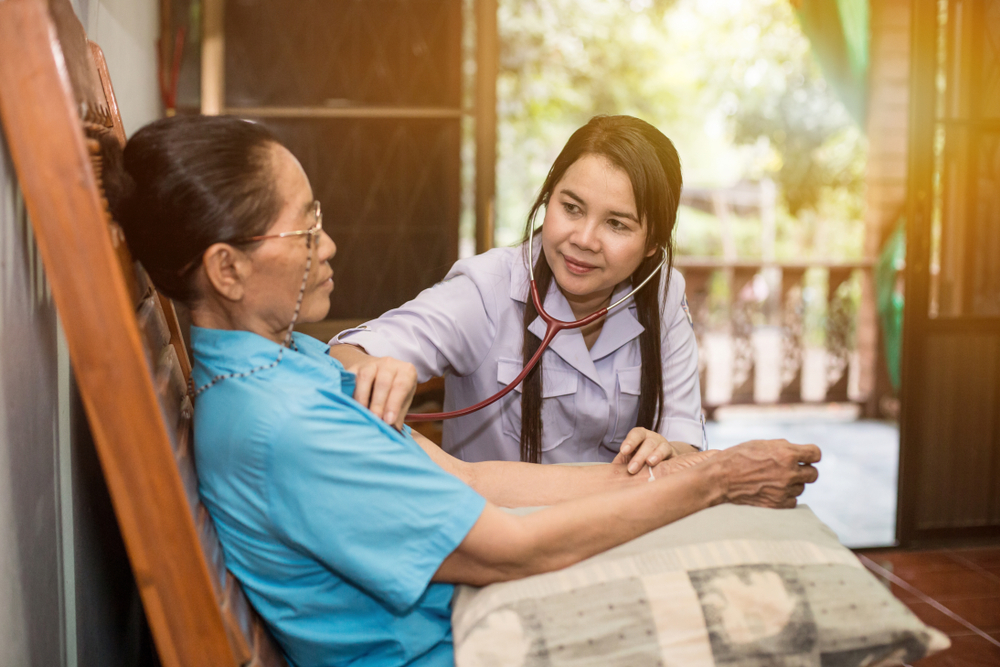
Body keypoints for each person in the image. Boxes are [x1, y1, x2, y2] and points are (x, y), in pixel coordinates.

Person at [109, 115, 820, 667]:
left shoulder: (286, 363)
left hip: (499, 577)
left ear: (651, 242)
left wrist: (697, 471)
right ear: (227, 271)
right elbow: (508, 543)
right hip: (460, 631)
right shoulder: (284, 422)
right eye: (309, 227)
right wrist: (715, 480)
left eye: (619, 224)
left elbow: (472, 476)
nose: (329, 245)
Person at [331, 116, 701, 472]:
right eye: (571, 208)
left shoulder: (664, 298)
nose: (584, 240)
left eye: (616, 224)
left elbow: (685, 439)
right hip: (499, 529)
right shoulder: (485, 289)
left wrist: (668, 450)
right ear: (546, 200)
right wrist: (365, 365)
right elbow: (346, 354)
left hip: (621, 528)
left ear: (653, 243)